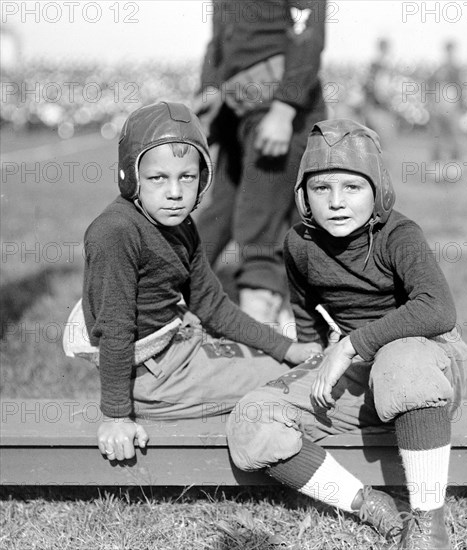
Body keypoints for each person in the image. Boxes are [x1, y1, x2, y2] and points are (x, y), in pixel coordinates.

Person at [226, 120, 467, 548]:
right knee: (251, 421)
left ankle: (428, 525)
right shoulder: (301, 244)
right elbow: (305, 309)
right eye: (322, 188)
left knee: (401, 363)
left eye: (352, 188)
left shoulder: (400, 235)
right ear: (303, 194)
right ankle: (369, 505)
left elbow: (438, 309)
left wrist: (350, 346)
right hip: (359, 364)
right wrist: (318, 357)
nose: (337, 203)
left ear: (377, 191)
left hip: (428, 355)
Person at [79, 101, 320, 462]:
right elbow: (114, 329)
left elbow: (212, 305)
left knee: (285, 363)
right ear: (130, 176)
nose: (175, 192)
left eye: (187, 177)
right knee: (288, 382)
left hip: (180, 348)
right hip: (153, 375)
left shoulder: (182, 225)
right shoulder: (116, 231)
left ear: (203, 178)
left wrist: (286, 347)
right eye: (158, 178)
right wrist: (116, 416)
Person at [193, 0, 327, 326]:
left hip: (278, 114)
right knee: (216, 217)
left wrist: (284, 108)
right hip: (236, 113)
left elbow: (306, 34)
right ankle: (171, 299)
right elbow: (221, 38)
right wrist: (208, 90)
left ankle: (264, 331)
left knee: (259, 229)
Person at [426, 40, 463, 162]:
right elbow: (431, 86)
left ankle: (455, 162)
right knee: (437, 136)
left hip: (451, 108)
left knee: (453, 137)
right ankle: (437, 163)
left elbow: (461, 89)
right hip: (440, 108)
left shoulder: (456, 69)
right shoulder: (440, 69)